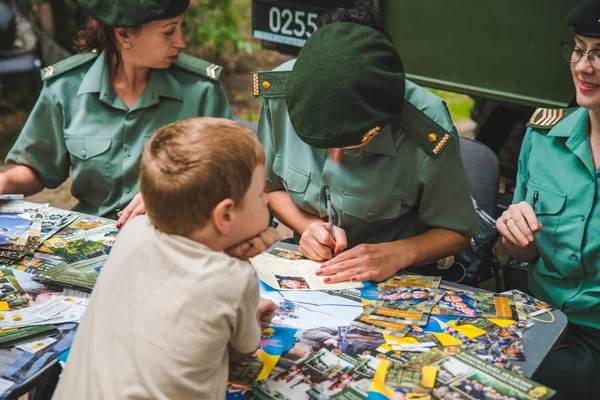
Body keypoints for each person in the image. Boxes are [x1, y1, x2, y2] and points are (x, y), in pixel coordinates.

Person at [253, 1, 479, 284]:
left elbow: (456, 231)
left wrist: (400, 253)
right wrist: (308, 226)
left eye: (352, 145)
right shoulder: (282, 95)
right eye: (321, 145)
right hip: (313, 273)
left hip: (399, 278)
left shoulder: (424, 124)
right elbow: (268, 187)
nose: (335, 158)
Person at [52, 118, 278, 399]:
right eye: (260, 195)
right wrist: (240, 272)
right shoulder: (234, 277)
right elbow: (239, 350)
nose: (267, 202)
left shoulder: (133, 232)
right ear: (225, 215)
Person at [0, 0, 231, 222]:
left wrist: (171, 196)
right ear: (124, 34)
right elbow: (38, 168)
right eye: (168, 32)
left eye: (181, 26)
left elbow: (230, 174)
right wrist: (6, 181)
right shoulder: (65, 87)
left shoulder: (202, 90)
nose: (181, 41)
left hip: (173, 237)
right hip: (94, 238)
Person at [495, 1, 600, 397]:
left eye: (599, 53)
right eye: (578, 48)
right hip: (541, 321)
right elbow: (526, 257)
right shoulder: (542, 139)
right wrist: (512, 233)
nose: (583, 67)